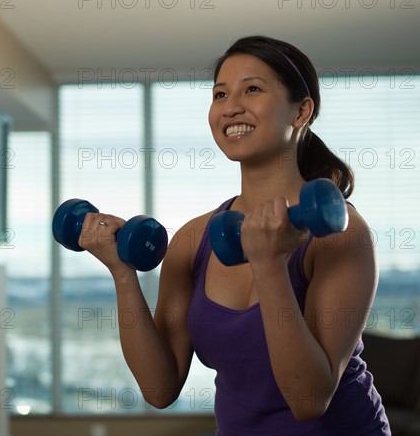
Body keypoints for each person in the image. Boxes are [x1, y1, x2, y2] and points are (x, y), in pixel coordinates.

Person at [78, 35, 391, 435]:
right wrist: (123, 275)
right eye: (220, 94)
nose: (230, 107)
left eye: (253, 89)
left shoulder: (339, 234)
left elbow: (309, 400)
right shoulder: (194, 239)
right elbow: (160, 388)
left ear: (302, 111)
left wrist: (270, 266)